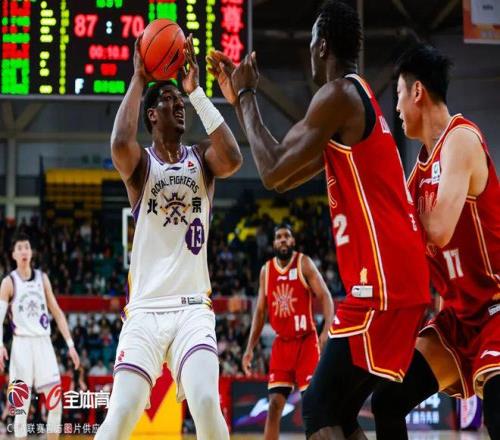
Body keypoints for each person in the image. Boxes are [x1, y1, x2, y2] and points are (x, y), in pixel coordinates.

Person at [207, 1, 430, 438]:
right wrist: (239, 102)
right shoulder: (352, 102)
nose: (309, 52)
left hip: (382, 282)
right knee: (341, 411)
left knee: (318, 407)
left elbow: (271, 171)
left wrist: (248, 95)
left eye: (311, 43)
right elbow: (284, 175)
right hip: (398, 278)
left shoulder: (338, 95)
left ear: (322, 45)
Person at [94, 33, 242, 440]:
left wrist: (196, 93)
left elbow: (234, 157)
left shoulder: (202, 159)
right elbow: (119, 142)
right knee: (121, 413)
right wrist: (139, 79)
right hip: (144, 309)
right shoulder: (142, 166)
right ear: (151, 116)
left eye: (180, 101)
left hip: (192, 308)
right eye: (169, 100)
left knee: (207, 401)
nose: (178, 105)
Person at [371, 44, 500, 440]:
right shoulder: (417, 175)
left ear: (417, 92)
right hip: (460, 320)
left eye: (397, 95)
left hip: (495, 305)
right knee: (387, 401)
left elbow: (439, 228)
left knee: (498, 411)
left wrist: (392, 218)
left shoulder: (461, 139)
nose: (396, 108)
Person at [242, 224, 333, 440]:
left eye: (287, 236)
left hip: (306, 342)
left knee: (312, 405)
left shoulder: (304, 263)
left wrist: (326, 330)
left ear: (293, 241)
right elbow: (260, 312)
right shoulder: (266, 271)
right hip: (282, 344)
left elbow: (326, 296)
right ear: (273, 243)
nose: (283, 239)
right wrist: (249, 348)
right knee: (274, 405)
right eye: (279, 237)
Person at [0, 232, 80, 439]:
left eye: (26, 247)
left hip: (44, 344)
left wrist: (70, 345)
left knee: (56, 404)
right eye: (19, 248)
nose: (24, 251)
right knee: (20, 409)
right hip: (21, 345)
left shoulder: (42, 279)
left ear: (32, 252)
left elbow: (57, 312)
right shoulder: (9, 282)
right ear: (13, 254)